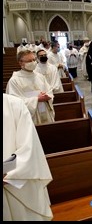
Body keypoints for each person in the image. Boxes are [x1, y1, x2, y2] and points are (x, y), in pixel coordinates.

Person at [3, 93, 53, 221]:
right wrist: (35, 99)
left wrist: (9, 172)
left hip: (14, 187)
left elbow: (29, 149)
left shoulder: (13, 105)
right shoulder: (15, 81)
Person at [6, 50, 55, 125]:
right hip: (29, 118)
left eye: (34, 60)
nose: (33, 62)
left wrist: (47, 96)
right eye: (29, 61)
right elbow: (14, 103)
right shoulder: (15, 80)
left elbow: (49, 91)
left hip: (45, 112)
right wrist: (37, 99)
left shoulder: (39, 76)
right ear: (20, 63)